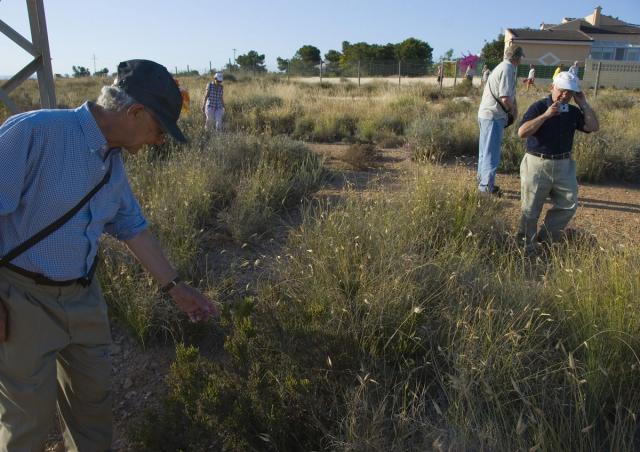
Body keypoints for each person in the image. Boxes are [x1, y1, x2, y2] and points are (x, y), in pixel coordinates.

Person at [0, 59, 219, 451]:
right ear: (134, 112)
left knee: (93, 414)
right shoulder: (35, 132)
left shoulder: (111, 163)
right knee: (27, 421)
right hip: (21, 301)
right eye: (158, 129)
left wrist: (175, 288)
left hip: (83, 299)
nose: (157, 142)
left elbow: (133, 228)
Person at [516, 71, 599, 250]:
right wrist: (546, 115)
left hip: (564, 165)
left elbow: (593, 127)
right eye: (561, 91)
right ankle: (525, 247)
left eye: (569, 93)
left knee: (568, 204)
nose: (564, 96)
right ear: (552, 87)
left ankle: (546, 241)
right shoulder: (538, 107)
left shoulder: (573, 111)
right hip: (537, 164)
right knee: (530, 208)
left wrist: (583, 103)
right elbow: (522, 132)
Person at [476, 44, 524, 195]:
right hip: (493, 116)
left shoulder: (501, 66)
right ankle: (486, 188)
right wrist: (513, 111)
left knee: (484, 152)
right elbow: (505, 97)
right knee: (491, 154)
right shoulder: (508, 69)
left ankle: (482, 183)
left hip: (486, 115)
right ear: (517, 57)